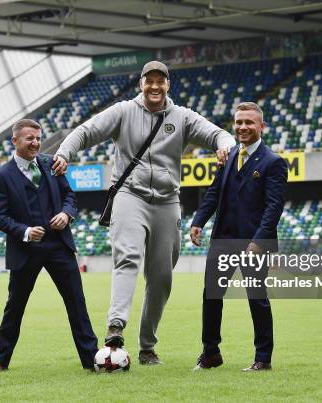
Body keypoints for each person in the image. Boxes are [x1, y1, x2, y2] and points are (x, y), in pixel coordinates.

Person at [52, 61, 235, 365]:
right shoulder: (123, 111)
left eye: (160, 82)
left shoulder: (182, 117)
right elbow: (86, 131)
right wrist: (64, 152)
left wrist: (226, 146)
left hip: (167, 201)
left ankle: (147, 346)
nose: (154, 87)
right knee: (128, 256)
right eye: (148, 81)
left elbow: (218, 134)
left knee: (161, 277)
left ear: (168, 85)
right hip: (129, 194)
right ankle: (115, 326)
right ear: (141, 84)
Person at [0, 119, 98, 372]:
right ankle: (0, 360)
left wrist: (66, 214)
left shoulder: (51, 164)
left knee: (77, 303)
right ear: (15, 141)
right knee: (15, 307)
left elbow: (69, 196)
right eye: (30, 138)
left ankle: (91, 360)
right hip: (25, 250)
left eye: (38, 138)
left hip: (59, 245)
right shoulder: (1, 176)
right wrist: (25, 231)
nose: (36, 143)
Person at [190, 102, 287, 371]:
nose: (243, 127)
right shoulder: (229, 155)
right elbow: (214, 191)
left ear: (261, 127)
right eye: (239, 122)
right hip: (222, 240)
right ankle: (211, 353)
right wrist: (199, 221)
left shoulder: (274, 163)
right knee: (211, 296)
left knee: (256, 298)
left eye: (249, 122)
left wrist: (258, 241)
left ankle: (263, 358)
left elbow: (273, 208)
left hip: (254, 243)